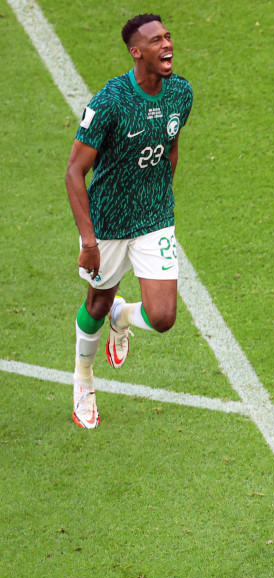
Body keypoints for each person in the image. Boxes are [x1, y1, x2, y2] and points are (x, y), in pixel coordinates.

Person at [64, 13, 192, 428]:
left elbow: (170, 146)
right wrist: (88, 240)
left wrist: (159, 195)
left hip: (154, 217)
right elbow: (74, 172)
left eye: (168, 37)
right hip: (109, 223)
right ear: (137, 52)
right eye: (156, 41)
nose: (166, 45)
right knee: (97, 303)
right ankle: (83, 381)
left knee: (163, 318)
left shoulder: (180, 94)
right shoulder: (110, 102)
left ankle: (123, 318)